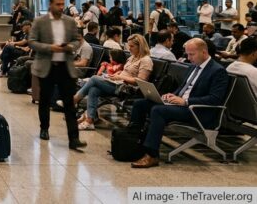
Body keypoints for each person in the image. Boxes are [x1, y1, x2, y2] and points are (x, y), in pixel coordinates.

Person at [128, 38, 229, 168]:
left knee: (158, 111)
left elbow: (215, 99)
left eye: (192, 54)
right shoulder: (193, 66)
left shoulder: (217, 71)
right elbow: (184, 88)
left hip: (198, 111)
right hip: (182, 106)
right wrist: (173, 95)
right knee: (141, 104)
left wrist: (185, 101)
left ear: (204, 52)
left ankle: (151, 155)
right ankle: (133, 142)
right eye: (187, 54)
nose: (188, 57)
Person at [28, 0, 87, 150]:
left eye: (62, 4)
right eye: (58, 4)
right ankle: (44, 128)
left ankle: (73, 138)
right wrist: (50, 48)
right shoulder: (40, 21)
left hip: (65, 67)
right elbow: (32, 42)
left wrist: (70, 47)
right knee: (45, 100)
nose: (61, 7)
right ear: (50, 4)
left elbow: (76, 40)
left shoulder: (70, 22)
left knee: (69, 103)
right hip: (47, 66)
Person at [74, 34, 153, 131]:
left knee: (94, 78)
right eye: (129, 46)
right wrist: (119, 73)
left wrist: (120, 76)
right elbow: (127, 72)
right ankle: (90, 120)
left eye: (132, 46)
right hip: (119, 84)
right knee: (94, 89)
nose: (129, 48)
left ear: (140, 46)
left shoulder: (146, 60)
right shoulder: (132, 57)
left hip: (127, 90)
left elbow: (141, 81)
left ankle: (75, 99)